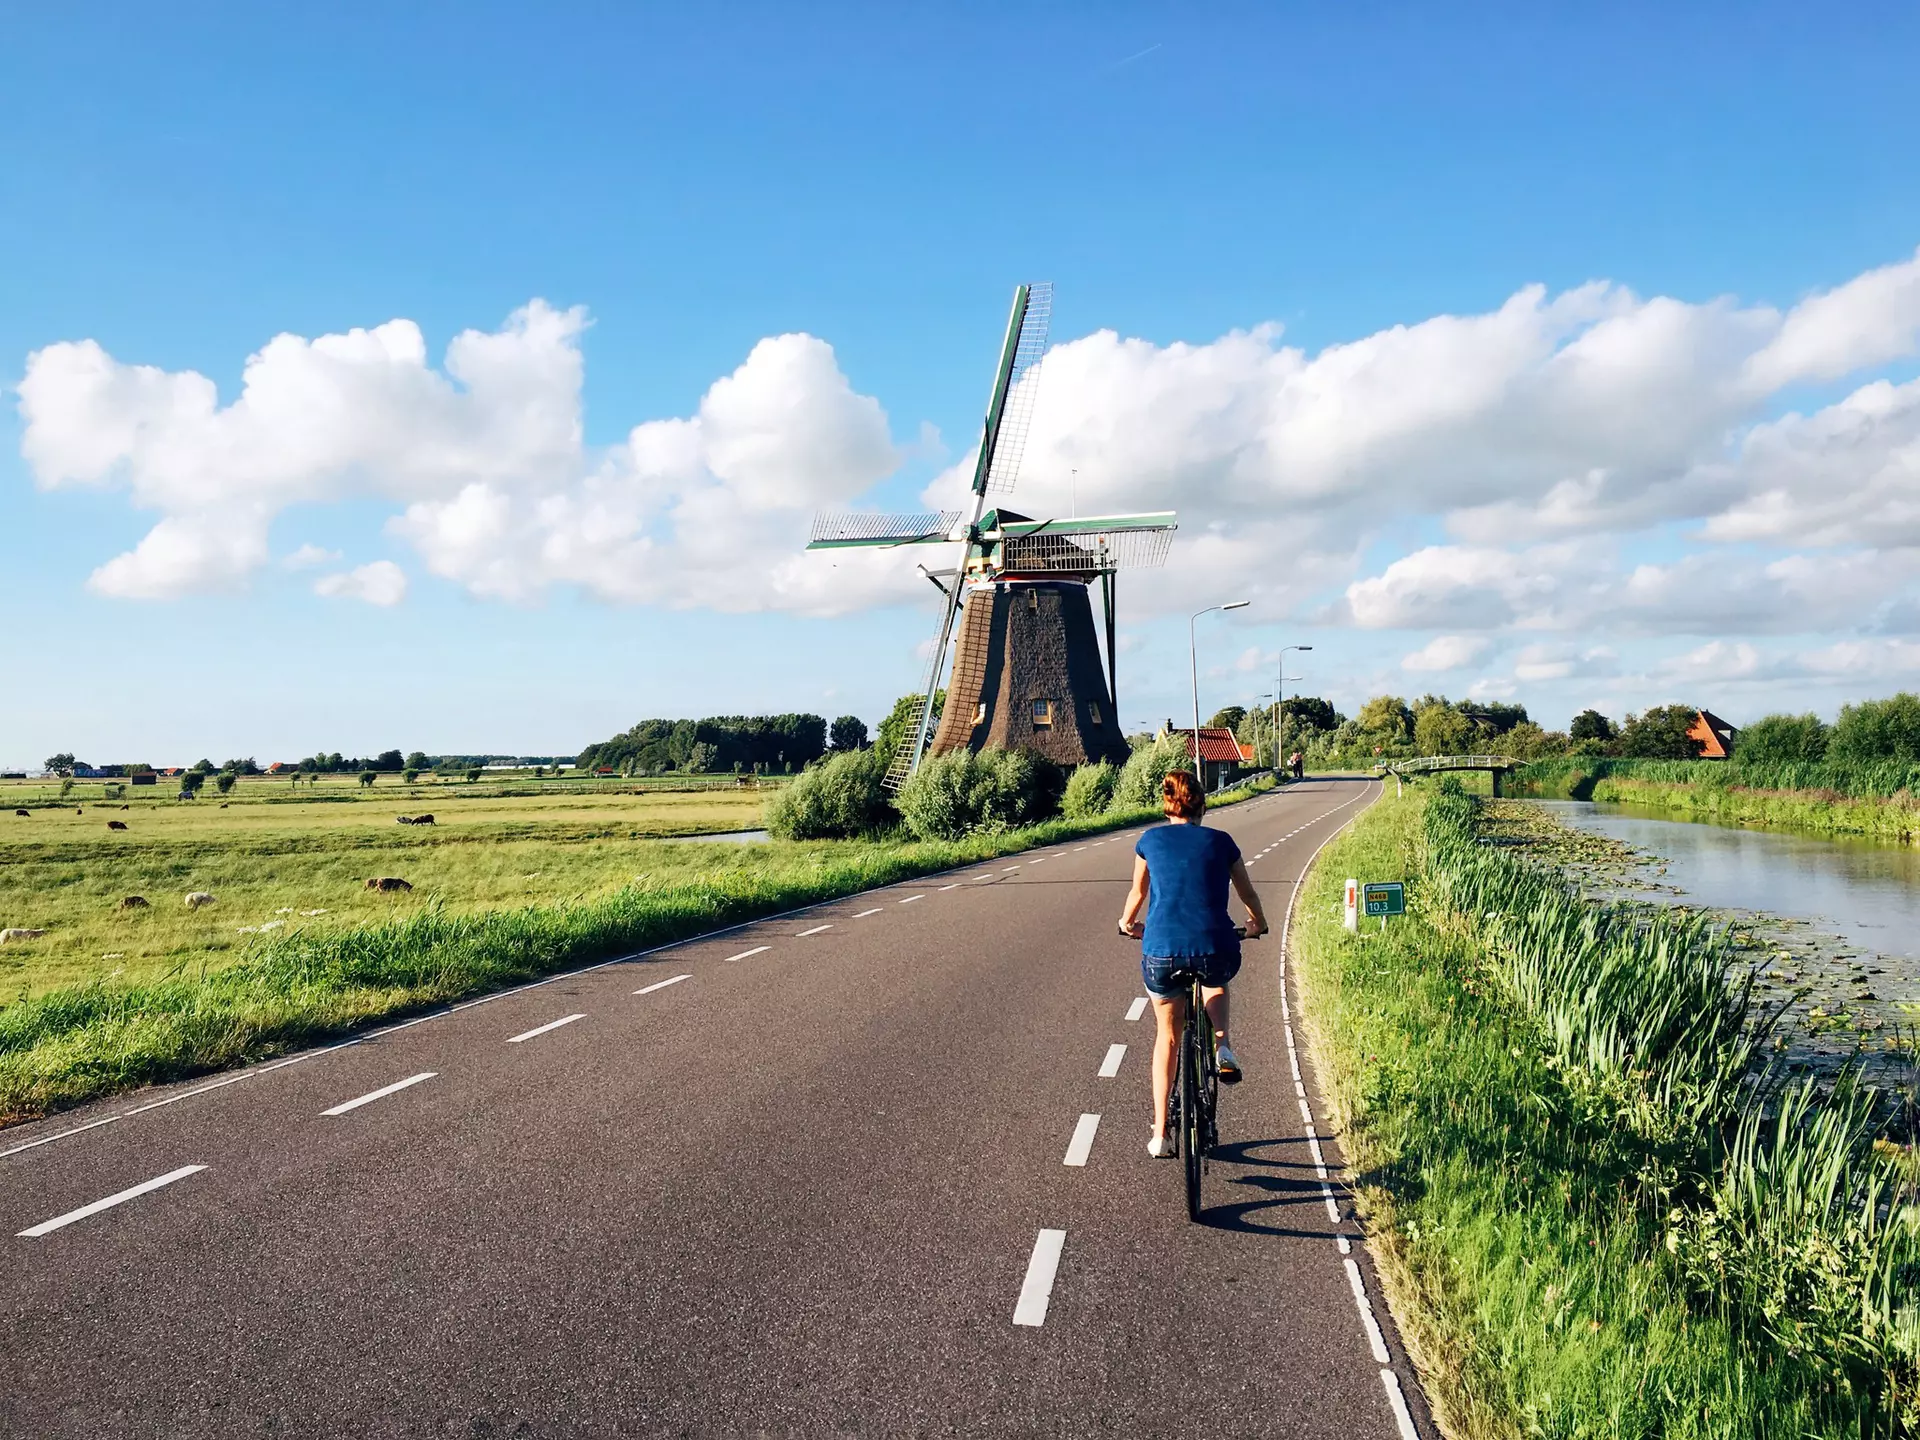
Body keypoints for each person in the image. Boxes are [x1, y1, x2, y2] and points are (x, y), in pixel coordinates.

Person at [1117, 769, 1268, 1158]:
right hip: (1215, 945)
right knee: (1216, 979)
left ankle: (1160, 1133)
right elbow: (1246, 890)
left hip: (1161, 950)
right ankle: (1223, 1046)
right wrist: (1257, 924)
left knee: (1167, 1035)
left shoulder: (1149, 841)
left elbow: (1139, 891)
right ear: (1202, 805)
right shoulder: (1222, 842)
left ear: (1167, 805)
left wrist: (1127, 923)